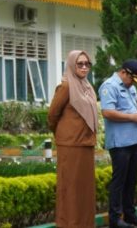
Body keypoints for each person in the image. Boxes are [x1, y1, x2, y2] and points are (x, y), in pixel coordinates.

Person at [48, 50, 99, 228]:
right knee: (70, 189)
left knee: (84, 190)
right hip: (70, 145)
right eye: (80, 64)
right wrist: (65, 133)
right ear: (71, 65)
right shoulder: (66, 86)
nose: (84, 67)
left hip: (86, 144)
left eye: (87, 64)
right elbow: (52, 115)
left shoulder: (87, 86)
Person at [100, 59, 137, 228]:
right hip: (120, 143)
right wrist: (134, 117)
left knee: (131, 180)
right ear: (124, 72)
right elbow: (107, 112)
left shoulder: (129, 87)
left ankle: (130, 215)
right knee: (119, 181)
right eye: (132, 79)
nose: (133, 84)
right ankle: (115, 219)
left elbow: (131, 108)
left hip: (134, 140)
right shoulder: (110, 86)